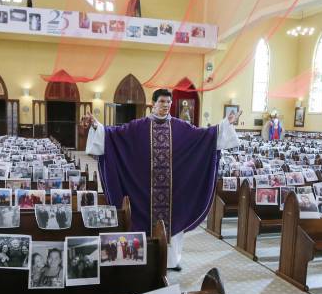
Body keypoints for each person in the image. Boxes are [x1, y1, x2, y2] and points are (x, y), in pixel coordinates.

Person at [84, 88, 240, 271]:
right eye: (162, 102)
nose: (165, 105)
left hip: (172, 190)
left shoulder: (181, 127)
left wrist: (224, 125)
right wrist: (97, 126)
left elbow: (204, 136)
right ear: (153, 103)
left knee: (173, 224)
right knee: (139, 221)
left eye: (168, 102)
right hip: (143, 190)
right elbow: (113, 135)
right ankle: (142, 257)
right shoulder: (138, 126)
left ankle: (171, 261)